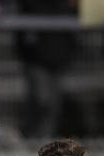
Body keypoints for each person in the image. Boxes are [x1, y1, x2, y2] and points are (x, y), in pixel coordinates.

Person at [16, 0, 78, 138]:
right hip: (36, 54)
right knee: (42, 99)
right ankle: (28, 136)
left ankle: (45, 143)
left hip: (59, 52)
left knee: (53, 105)